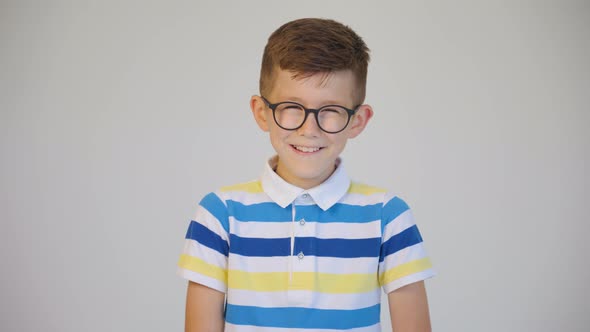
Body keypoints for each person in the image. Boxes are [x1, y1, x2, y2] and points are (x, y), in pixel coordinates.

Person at [177, 18, 435, 332]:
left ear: (358, 120)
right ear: (262, 112)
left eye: (331, 110)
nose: (308, 129)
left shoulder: (388, 217)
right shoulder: (219, 215)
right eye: (291, 106)